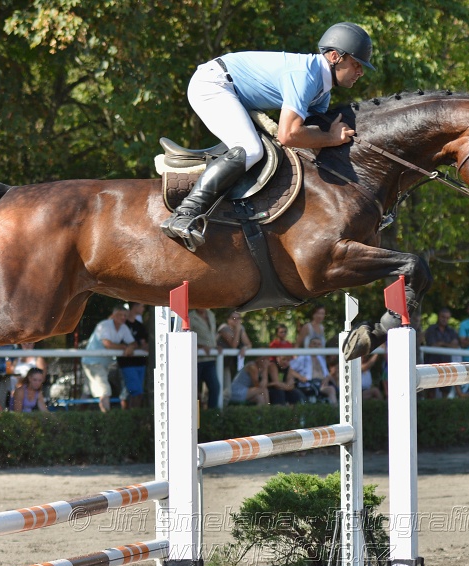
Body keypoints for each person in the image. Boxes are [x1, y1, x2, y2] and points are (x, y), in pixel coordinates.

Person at [161, 22, 374, 248]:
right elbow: (289, 134)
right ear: (334, 56)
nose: (360, 72)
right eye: (355, 64)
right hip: (213, 85)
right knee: (250, 149)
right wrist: (331, 137)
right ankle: (184, 214)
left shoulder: (322, 91)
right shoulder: (305, 76)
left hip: (234, 92)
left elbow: (309, 139)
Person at [81, 306, 137, 412]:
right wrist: (126, 347)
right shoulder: (104, 325)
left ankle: (75, 415)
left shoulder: (123, 327)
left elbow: (133, 343)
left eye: (125, 315)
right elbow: (107, 344)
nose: (124, 317)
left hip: (103, 363)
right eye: (121, 315)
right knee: (104, 390)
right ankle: (107, 419)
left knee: (87, 392)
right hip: (93, 362)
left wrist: (131, 347)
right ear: (114, 315)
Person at [423, 308, 460, 398]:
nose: (445, 320)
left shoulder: (451, 331)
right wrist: (447, 344)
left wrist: (442, 343)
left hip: (446, 364)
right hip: (431, 363)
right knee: (430, 392)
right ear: (439, 317)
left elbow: (455, 345)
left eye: (447, 318)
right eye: (443, 317)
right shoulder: (431, 329)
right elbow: (432, 345)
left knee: (445, 391)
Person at [118, 303, 149, 409]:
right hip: (126, 364)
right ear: (134, 306)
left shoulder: (140, 326)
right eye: (142, 306)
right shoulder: (122, 325)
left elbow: (144, 344)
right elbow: (120, 344)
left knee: (136, 392)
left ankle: (132, 418)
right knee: (135, 392)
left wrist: (136, 346)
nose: (144, 308)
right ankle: (131, 419)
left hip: (140, 363)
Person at [290, 336, 337, 404]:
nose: (316, 346)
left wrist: (327, 379)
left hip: (322, 384)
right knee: (331, 390)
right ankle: (335, 411)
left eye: (318, 344)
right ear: (309, 345)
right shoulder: (303, 357)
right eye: (314, 343)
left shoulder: (321, 359)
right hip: (309, 384)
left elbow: (327, 374)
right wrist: (300, 377)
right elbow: (290, 370)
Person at [190, 308, 221, 409]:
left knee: (215, 388)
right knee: (193, 390)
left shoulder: (211, 314)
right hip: (196, 360)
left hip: (210, 358)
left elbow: (211, 334)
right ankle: (194, 415)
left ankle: (211, 415)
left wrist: (215, 345)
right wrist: (200, 346)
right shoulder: (190, 317)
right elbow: (186, 336)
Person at [217, 310, 252, 398]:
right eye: (233, 318)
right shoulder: (224, 328)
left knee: (226, 392)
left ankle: (220, 411)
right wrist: (238, 330)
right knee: (215, 391)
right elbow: (234, 344)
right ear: (228, 320)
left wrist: (244, 348)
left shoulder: (240, 328)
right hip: (215, 363)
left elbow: (249, 344)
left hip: (227, 364)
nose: (236, 320)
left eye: (238, 318)